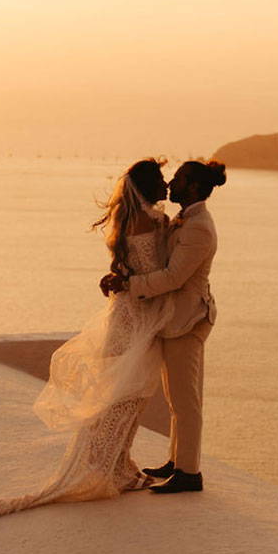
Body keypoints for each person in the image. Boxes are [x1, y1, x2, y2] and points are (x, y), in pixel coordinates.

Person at [0, 158, 174, 529]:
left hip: (127, 316)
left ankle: (120, 466)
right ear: (146, 187)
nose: (166, 184)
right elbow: (153, 273)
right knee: (125, 396)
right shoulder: (149, 222)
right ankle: (104, 469)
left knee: (128, 395)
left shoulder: (136, 219)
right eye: (160, 179)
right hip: (137, 319)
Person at [101, 158, 226, 495]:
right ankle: (176, 462)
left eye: (180, 178)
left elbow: (174, 277)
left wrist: (130, 285)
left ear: (195, 187)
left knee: (187, 401)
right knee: (175, 400)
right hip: (173, 320)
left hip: (188, 320)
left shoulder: (199, 226)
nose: (171, 183)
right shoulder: (185, 219)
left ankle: (189, 473)